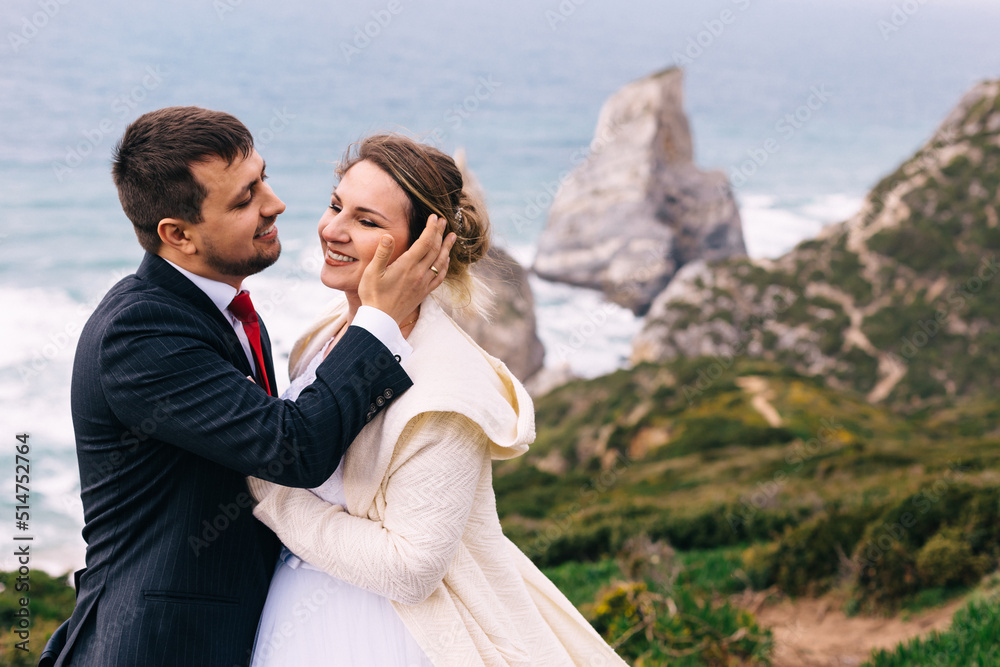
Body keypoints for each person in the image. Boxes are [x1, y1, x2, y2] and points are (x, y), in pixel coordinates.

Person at [40, 108, 455, 667]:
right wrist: (379, 321)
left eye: (262, 178)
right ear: (177, 234)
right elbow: (295, 447)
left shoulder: (224, 308)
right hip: (163, 645)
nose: (275, 204)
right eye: (244, 200)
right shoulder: (139, 333)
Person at [247, 134, 627, 666]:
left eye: (367, 221)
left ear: (426, 248)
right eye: (337, 205)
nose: (332, 230)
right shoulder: (319, 340)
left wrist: (272, 493)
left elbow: (411, 568)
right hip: (294, 614)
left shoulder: (447, 389)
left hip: (379, 637)